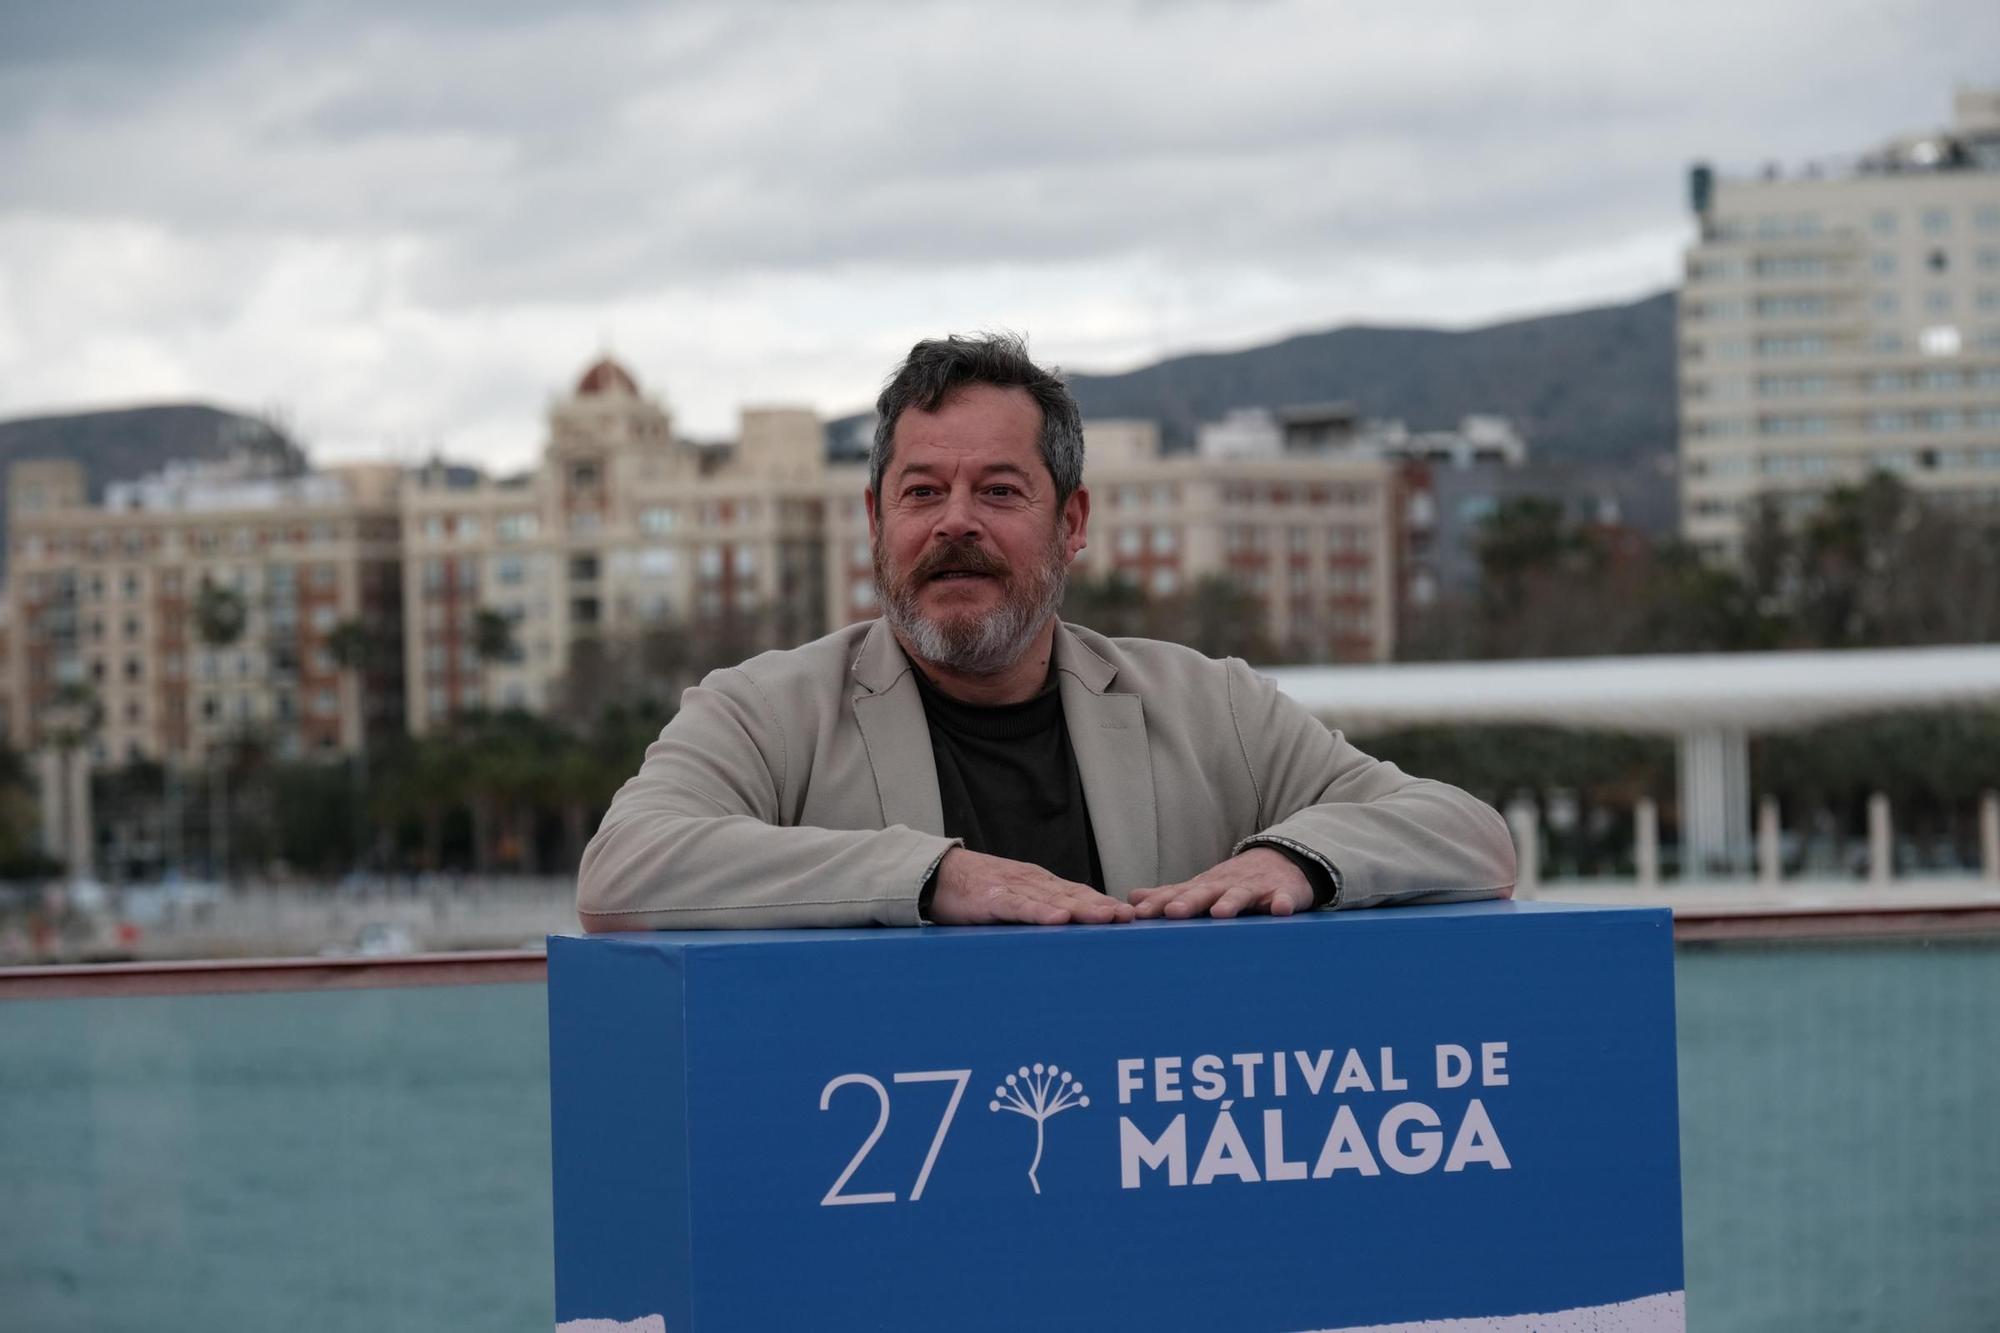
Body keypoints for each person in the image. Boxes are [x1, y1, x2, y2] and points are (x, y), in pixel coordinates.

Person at [577, 334, 1514, 931]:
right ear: (874, 521)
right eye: (921, 492)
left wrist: (1296, 861)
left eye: (998, 490)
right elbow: (625, 871)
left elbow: (1467, 836)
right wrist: (930, 877)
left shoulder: (1211, 707)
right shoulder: (763, 713)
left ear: (1071, 523)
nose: (953, 522)